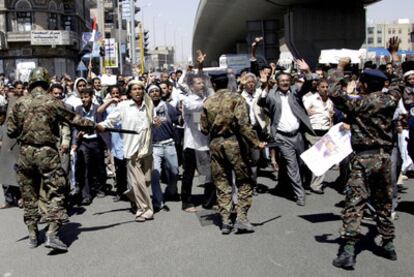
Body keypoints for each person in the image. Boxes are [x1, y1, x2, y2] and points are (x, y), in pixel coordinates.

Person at [7, 67, 95, 251]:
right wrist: (93, 125)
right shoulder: (53, 101)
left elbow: (11, 131)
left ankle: (32, 235)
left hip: (26, 154)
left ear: (30, 82)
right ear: (46, 83)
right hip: (47, 154)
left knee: (29, 194)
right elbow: (74, 119)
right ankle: (52, 233)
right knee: (56, 190)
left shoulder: (19, 103)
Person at [329, 54, 400, 269]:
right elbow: (398, 83)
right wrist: (395, 57)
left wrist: (340, 67)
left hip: (363, 159)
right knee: (383, 203)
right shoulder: (390, 100)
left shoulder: (358, 104)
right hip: (384, 158)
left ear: (366, 84)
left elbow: (334, 92)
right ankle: (388, 245)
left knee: (355, 203)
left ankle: (348, 251)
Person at [201, 73, 266, 234]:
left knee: (222, 182)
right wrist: (256, 143)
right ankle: (241, 218)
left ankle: (225, 220)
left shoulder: (207, 102)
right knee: (244, 180)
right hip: (234, 143)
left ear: (213, 84)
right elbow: (244, 125)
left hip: (216, 144)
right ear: (228, 83)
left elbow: (203, 129)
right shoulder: (237, 99)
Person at [257, 59, 315, 206]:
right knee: (292, 164)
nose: (284, 82)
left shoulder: (295, 91)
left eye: (287, 80)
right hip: (282, 136)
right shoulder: (272, 95)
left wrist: (307, 71)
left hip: (297, 135)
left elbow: (308, 85)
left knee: (302, 164)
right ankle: (299, 194)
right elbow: (262, 102)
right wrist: (264, 85)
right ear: (277, 82)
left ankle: (282, 186)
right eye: (281, 80)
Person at [97, 80, 155, 222]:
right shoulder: (123, 106)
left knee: (146, 180)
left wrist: (156, 122)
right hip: (132, 150)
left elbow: (150, 122)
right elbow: (110, 121)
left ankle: (131, 195)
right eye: (134, 89)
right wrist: (102, 125)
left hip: (147, 149)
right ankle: (144, 210)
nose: (137, 91)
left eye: (140, 89)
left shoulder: (149, 105)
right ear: (129, 92)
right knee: (138, 182)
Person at [148, 84, 180, 212]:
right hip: (153, 146)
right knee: (155, 174)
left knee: (174, 171)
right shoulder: (145, 108)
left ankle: (171, 190)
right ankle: (158, 200)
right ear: (148, 94)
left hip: (168, 144)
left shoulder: (168, 107)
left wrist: (185, 115)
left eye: (157, 91)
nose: (155, 93)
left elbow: (178, 119)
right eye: (152, 91)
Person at [73, 88, 107, 205]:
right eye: (82, 97)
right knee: (85, 168)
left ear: (91, 97)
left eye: (86, 97)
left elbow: (104, 124)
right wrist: (76, 139)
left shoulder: (98, 108)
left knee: (100, 167)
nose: (84, 100)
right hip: (84, 143)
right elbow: (75, 126)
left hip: (97, 141)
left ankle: (100, 187)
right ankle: (86, 195)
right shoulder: (78, 109)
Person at [302, 78, 335, 194]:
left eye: (327, 87)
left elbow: (331, 117)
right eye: (323, 87)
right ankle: (307, 180)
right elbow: (302, 112)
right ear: (318, 88)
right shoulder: (310, 99)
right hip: (312, 132)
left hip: (325, 132)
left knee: (323, 159)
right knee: (312, 159)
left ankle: (316, 185)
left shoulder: (331, 101)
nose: (325, 89)